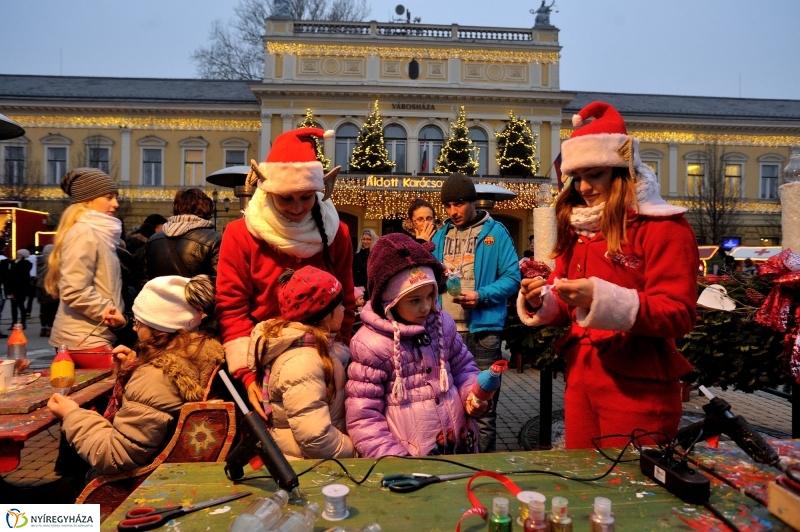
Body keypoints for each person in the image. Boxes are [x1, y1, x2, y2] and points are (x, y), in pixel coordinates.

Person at [517, 101, 698, 450]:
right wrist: (544, 300)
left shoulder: (664, 227)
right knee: (586, 487)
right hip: (580, 379)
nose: (583, 188)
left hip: (638, 388)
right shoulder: (576, 226)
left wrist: (599, 299)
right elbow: (570, 305)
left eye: (594, 174)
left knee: (630, 493)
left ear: (622, 171)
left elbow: (679, 313)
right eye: (577, 177)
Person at [216, 128, 355, 416]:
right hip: (262, 361)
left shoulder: (337, 233)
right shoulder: (240, 234)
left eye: (306, 197)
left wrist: (339, 355)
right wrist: (246, 373)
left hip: (324, 361)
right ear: (269, 192)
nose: (297, 207)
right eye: (286, 198)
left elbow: (347, 300)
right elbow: (232, 307)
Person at [47, 275, 224, 476]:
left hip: (140, 482)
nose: (133, 327)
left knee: (63, 488)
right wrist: (134, 368)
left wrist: (72, 415)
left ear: (159, 330)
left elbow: (114, 455)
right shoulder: (200, 351)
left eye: (138, 323)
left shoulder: (157, 376)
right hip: (171, 466)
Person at [346, 233, 483, 457]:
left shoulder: (442, 324)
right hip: (406, 457)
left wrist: (472, 393)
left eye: (430, 296)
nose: (426, 307)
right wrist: (393, 459)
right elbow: (363, 416)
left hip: (458, 446)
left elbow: (464, 368)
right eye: (415, 300)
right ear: (390, 301)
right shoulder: (371, 345)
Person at [430, 173, 521, 453]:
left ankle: (483, 469)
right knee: (447, 405)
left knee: (483, 410)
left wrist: (481, 296)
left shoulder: (495, 232)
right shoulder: (441, 234)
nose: (452, 211)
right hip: (444, 333)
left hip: (483, 334)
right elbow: (429, 277)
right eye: (447, 206)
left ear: (472, 202)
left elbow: (512, 278)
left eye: (458, 204)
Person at [248, 266, 354, 460]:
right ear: (323, 313)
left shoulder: (317, 348)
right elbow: (315, 437)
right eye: (338, 305)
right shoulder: (303, 363)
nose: (344, 308)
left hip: (319, 463)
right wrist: (354, 452)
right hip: (310, 468)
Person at [45, 168, 127, 352]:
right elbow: (74, 291)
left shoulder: (98, 235)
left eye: (115, 197)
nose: (115, 204)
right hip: (84, 338)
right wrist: (110, 312)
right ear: (88, 200)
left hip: (92, 335)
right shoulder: (84, 233)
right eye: (108, 197)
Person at [146, 188, 222, 280]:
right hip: (194, 294)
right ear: (206, 208)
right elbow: (219, 280)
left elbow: (145, 279)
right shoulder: (213, 239)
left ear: (176, 207)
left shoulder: (153, 239)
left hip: (157, 294)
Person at [5, 249, 32, 329]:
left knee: (20, 305)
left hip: (20, 287)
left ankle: (22, 322)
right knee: (14, 306)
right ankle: (15, 322)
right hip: (14, 286)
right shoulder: (14, 263)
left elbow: (19, 275)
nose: (17, 255)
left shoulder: (25, 264)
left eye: (19, 254)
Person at [36, 244, 58, 337]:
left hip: (41, 288)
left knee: (43, 310)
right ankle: (50, 328)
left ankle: (43, 328)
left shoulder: (39, 261)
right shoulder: (55, 262)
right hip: (52, 287)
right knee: (52, 310)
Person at [352, 228, 377, 297]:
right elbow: (353, 272)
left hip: (371, 289)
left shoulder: (376, 255)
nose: (365, 241)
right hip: (358, 289)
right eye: (364, 239)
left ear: (373, 240)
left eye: (368, 239)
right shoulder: (356, 255)